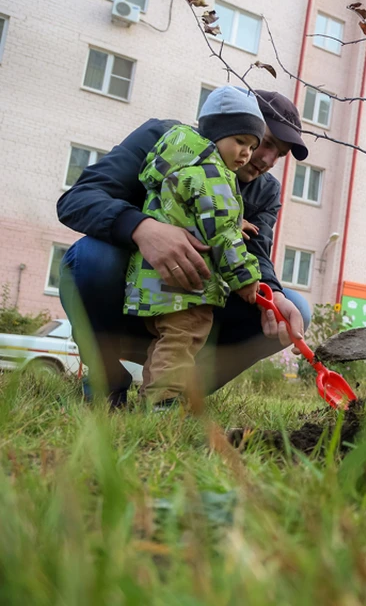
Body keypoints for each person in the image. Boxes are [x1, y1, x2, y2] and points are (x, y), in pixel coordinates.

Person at [57, 89, 312, 408]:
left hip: (195, 309)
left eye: (278, 154)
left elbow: (257, 256)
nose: (265, 159)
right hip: (132, 298)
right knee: (91, 256)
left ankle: (176, 394)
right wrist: (142, 228)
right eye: (266, 142)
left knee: (294, 308)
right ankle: (107, 377)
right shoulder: (160, 138)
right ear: (227, 124)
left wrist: (272, 293)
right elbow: (76, 200)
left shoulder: (264, 192)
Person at [125, 86, 265, 408]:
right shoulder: (213, 173)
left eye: (252, 146)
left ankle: (151, 399)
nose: (246, 153)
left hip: (151, 278)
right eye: (240, 141)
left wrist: (231, 217)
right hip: (185, 284)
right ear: (217, 133)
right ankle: (162, 405)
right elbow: (221, 233)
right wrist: (244, 277)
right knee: (182, 339)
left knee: (167, 341)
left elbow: (185, 209)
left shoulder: (181, 163)